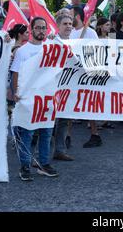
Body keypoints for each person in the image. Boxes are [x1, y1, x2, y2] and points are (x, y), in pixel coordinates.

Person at [11, 17, 59, 181]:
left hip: (46, 97)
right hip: (29, 98)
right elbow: (15, 73)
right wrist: (16, 92)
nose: (41, 31)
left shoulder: (50, 48)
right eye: (38, 28)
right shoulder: (22, 51)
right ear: (31, 30)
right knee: (28, 133)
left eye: (44, 28)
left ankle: (43, 164)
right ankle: (25, 165)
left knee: (46, 132)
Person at [69, 6, 103, 148]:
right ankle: (67, 136)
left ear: (77, 17)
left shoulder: (90, 33)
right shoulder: (69, 33)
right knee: (68, 103)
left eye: (70, 16)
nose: (68, 19)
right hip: (71, 73)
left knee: (89, 104)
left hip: (87, 73)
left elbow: (97, 51)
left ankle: (95, 134)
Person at [52, 14, 75, 161]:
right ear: (58, 26)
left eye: (70, 24)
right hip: (52, 86)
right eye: (65, 24)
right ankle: (39, 154)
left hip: (68, 87)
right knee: (48, 121)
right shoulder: (51, 42)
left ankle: (59, 150)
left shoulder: (76, 42)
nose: (68, 26)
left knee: (64, 119)